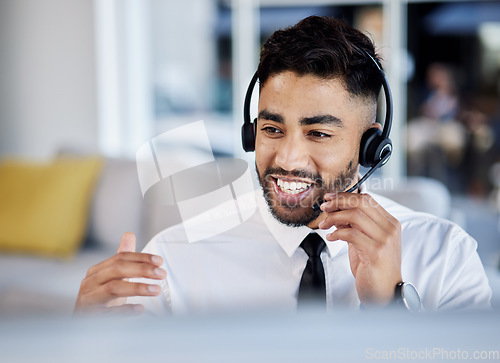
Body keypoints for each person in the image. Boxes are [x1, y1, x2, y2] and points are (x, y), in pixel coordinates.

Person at [75, 16, 491, 315]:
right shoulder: (174, 258)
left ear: (370, 146)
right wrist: (87, 342)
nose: (288, 159)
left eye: (318, 134)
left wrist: (390, 307)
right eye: (273, 129)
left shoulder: (446, 255)